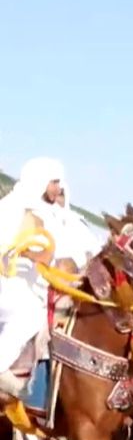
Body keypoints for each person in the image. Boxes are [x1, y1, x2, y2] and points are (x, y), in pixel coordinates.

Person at [0, 158, 70, 401]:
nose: (58, 188)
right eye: (54, 182)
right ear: (40, 181)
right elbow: (41, 253)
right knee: (30, 314)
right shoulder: (15, 208)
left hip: (25, 286)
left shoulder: (43, 213)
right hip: (6, 283)